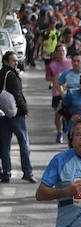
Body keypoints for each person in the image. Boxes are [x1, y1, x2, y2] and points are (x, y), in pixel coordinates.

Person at [0, 50, 34, 183]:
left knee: (5, 145)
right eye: (13, 60)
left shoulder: (1, 74)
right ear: (5, 61)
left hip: (3, 115)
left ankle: (6, 173)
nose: (16, 62)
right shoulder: (12, 76)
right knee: (24, 143)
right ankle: (27, 172)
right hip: (16, 116)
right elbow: (17, 95)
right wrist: (24, 109)